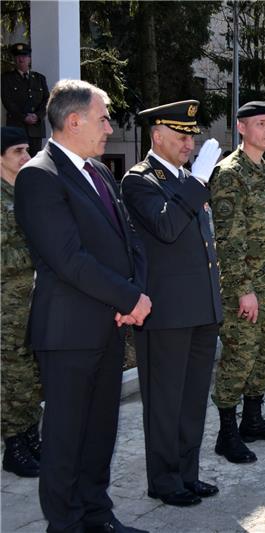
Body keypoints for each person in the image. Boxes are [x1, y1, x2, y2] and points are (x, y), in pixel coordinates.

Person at [14, 79, 151, 533]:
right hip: (69, 333)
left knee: (99, 436)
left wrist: (134, 294)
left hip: (109, 325)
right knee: (65, 440)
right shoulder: (39, 175)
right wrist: (129, 297)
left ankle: (97, 516)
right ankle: (66, 524)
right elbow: (69, 259)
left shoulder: (99, 172)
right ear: (73, 121)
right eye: (103, 117)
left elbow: (129, 240)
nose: (109, 127)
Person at [120, 100, 223, 507]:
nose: (189, 143)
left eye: (192, 136)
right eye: (181, 136)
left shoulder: (186, 179)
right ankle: (163, 480)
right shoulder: (139, 180)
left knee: (193, 399)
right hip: (165, 313)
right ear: (157, 136)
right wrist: (196, 183)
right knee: (164, 401)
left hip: (200, 308)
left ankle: (186, 473)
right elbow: (165, 226)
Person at [209, 101, 265, 462]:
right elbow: (228, 239)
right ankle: (226, 432)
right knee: (240, 357)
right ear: (241, 128)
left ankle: (253, 420)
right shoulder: (230, 173)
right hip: (246, 290)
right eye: (261, 124)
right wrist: (244, 290)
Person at [1, 126, 42, 479]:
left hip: (32, 299)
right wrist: (40, 253)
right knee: (11, 374)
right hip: (6, 305)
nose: (27, 158)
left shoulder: (26, 191)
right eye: (18, 151)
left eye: (28, 150)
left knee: (30, 372)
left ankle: (31, 435)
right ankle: (14, 445)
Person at [1, 43, 49, 155]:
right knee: (16, 161)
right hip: (16, 127)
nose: (20, 59)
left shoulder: (39, 78)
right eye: (17, 56)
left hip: (35, 129)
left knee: (34, 162)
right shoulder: (6, 78)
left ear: (29, 59)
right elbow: (7, 101)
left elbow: (47, 100)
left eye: (24, 56)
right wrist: (23, 117)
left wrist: (37, 116)